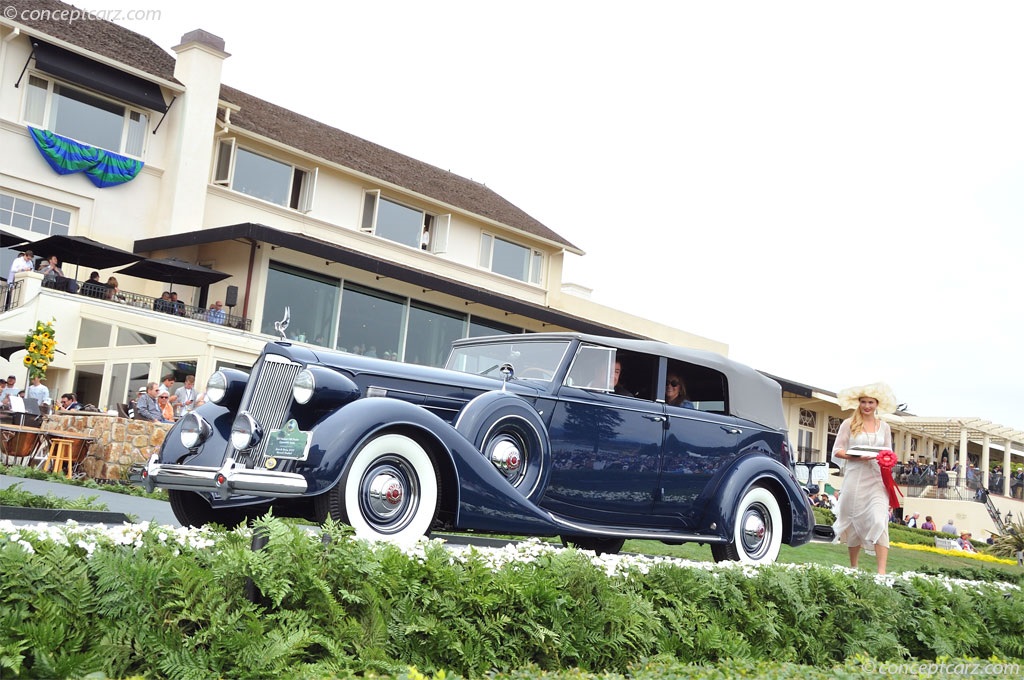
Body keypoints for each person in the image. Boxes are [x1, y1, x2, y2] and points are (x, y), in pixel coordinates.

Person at [830, 382, 898, 574]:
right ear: (858, 403)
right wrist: (856, 456)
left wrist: (888, 465)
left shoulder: (884, 427)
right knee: (853, 518)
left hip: (877, 478)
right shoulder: (848, 424)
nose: (867, 406)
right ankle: (854, 567)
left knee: (879, 519)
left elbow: (888, 453)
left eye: (871, 402)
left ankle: (882, 572)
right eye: (863, 402)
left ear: (877, 404)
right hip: (855, 477)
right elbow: (837, 451)